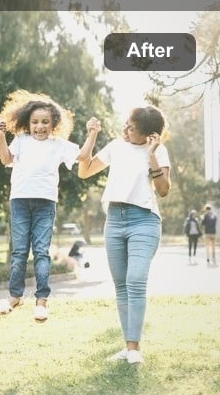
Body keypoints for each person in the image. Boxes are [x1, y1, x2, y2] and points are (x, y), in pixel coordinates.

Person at [0, 90, 100, 322]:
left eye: (45, 122)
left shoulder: (58, 145)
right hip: (20, 201)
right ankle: (14, 296)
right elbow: (5, 159)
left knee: (41, 251)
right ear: (27, 123)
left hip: (45, 203)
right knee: (20, 251)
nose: (39, 126)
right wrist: (0, 136)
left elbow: (82, 156)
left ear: (53, 124)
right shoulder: (21, 141)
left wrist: (92, 134)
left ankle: (41, 301)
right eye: (35, 122)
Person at [78, 105, 171, 365]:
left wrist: (151, 155)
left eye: (132, 127)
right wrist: (92, 135)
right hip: (115, 221)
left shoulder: (159, 150)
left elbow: (163, 189)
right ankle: (128, 347)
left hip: (144, 220)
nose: (125, 129)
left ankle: (133, 348)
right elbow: (83, 172)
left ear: (149, 135)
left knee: (135, 280)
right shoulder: (116, 146)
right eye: (127, 124)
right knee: (121, 286)